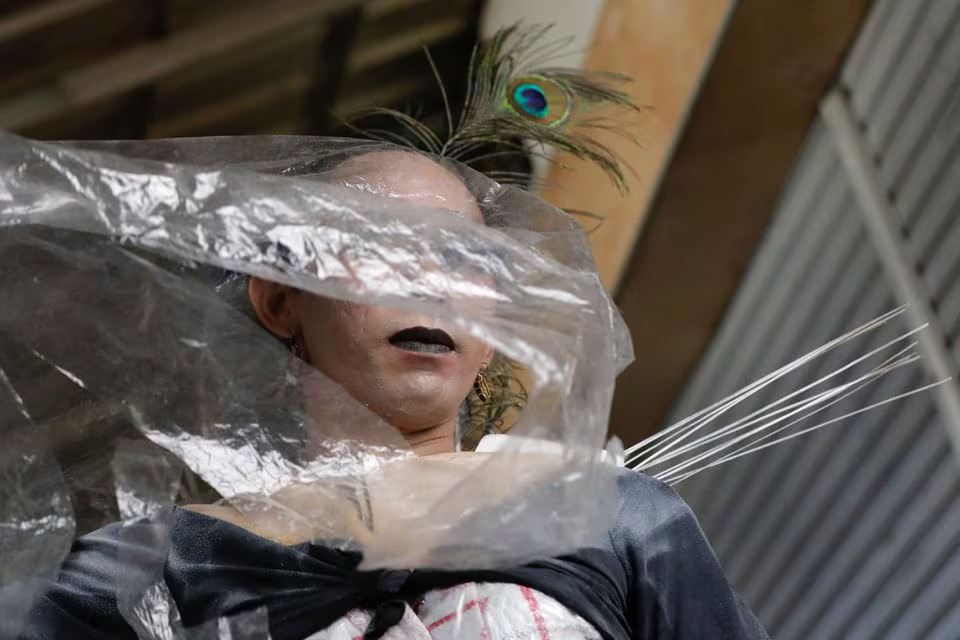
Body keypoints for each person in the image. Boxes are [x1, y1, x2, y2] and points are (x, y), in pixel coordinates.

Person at [15, 144, 768, 640]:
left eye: (465, 262)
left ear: (495, 330)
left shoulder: (615, 519)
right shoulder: (149, 568)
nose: (430, 286)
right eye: (380, 247)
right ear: (281, 301)